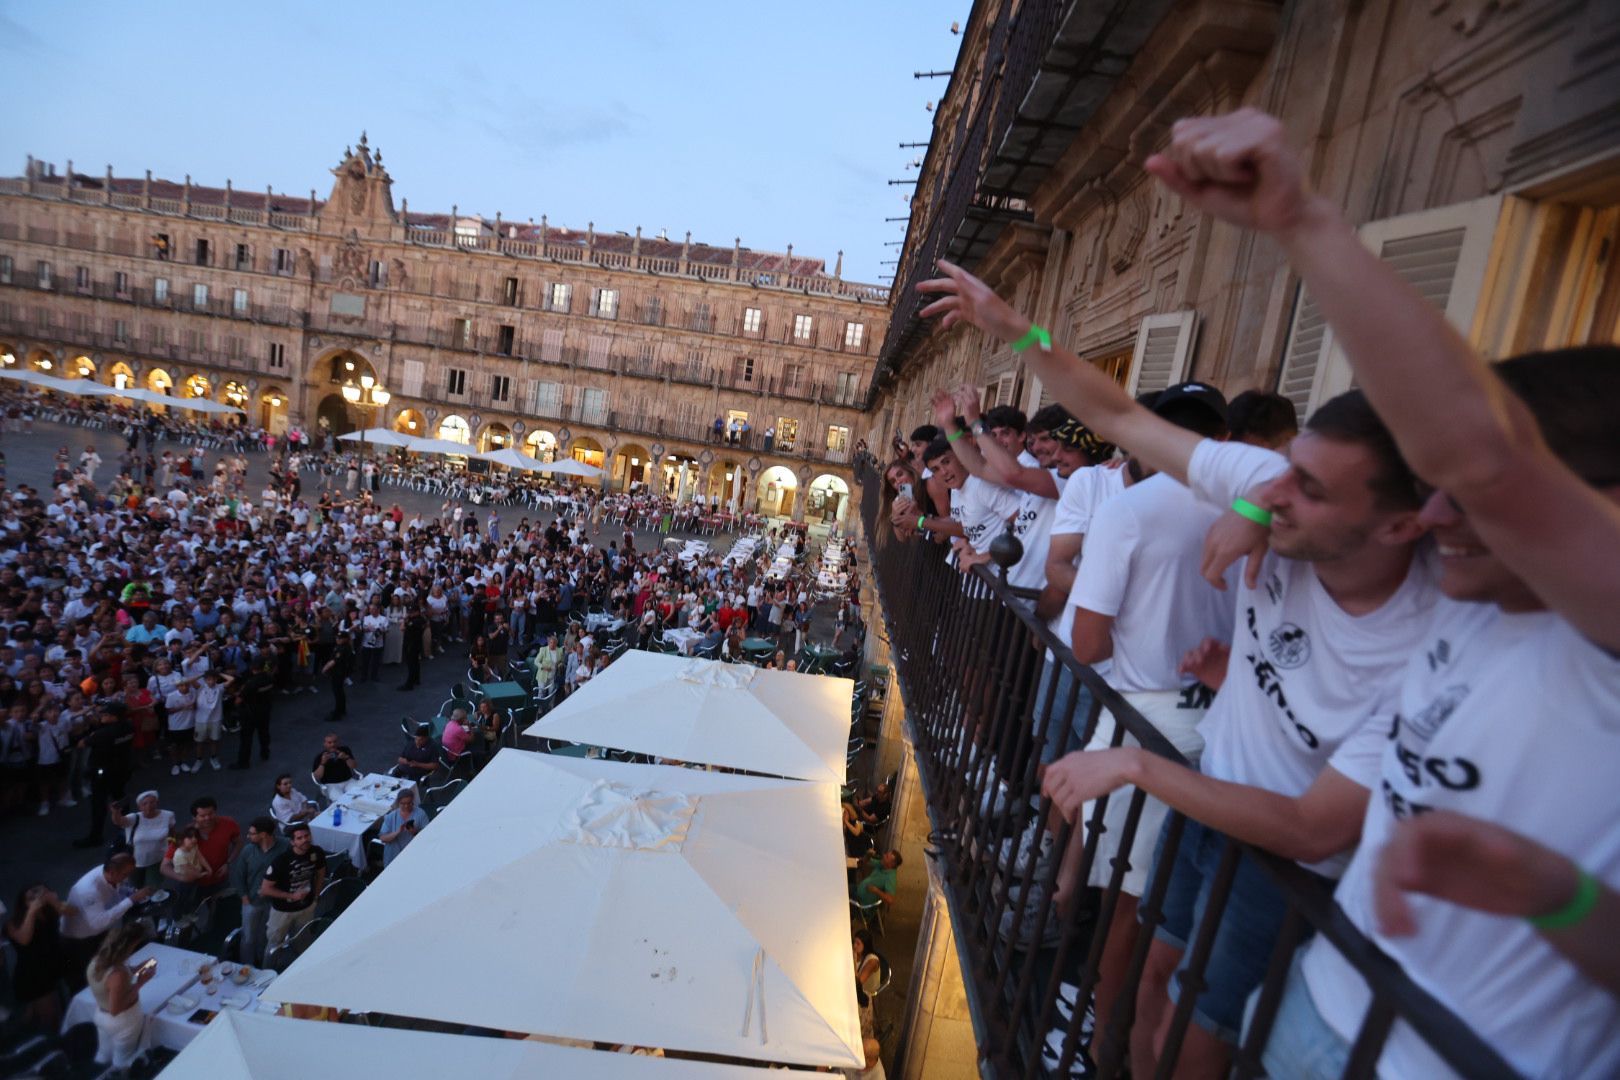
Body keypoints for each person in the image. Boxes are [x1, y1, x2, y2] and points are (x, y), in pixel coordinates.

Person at [1131, 108, 1620, 1079]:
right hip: (1325, 988)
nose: (1442, 515)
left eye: (1490, 504)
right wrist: (1266, 515)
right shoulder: (1471, 596)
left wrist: (1303, 220)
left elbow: (1470, 459)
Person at [62, 853, 152, 991]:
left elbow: (118, 888)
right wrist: (131, 899)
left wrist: (131, 892)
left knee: (108, 969)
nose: (126, 878)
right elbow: (98, 922)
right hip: (80, 940)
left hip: (99, 934)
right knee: (87, 982)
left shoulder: (110, 875)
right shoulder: (89, 890)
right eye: (124, 874)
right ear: (111, 872)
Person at [86, 924, 154, 1070]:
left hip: (101, 1016)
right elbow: (116, 1009)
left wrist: (138, 968)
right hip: (123, 1021)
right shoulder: (117, 975)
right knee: (122, 1063)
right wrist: (141, 983)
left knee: (103, 1055)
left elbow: (114, 982)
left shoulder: (97, 961)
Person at [6, 884, 72, 1032]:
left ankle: (25, 1036)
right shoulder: (12, 924)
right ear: (23, 903)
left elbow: (72, 912)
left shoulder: (49, 913)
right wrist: (32, 911)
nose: (36, 900)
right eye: (30, 898)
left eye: (39, 895)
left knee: (42, 1013)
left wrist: (53, 900)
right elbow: (24, 939)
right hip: (34, 976)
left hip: (51, 970)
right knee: (49, 1017)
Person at [261, 823, 326, 956]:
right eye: (299, 838)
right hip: (282, 911)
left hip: (306, 907)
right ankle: (270, 970)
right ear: (292, 842)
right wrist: (291, 895)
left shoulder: (317, 852)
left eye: (306, 836)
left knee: (303, 940)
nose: (304, 840)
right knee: (274, 945)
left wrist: (316, 896)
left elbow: (321, 873)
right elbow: (265, 889)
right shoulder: (281, 861)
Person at [231, 816, 288, 967]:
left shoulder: (285, 846)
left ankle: (261, 961)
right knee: (248, 936)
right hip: (252, 901)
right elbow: (238, 875)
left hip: (273, 902)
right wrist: (243, 896)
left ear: (263, 835)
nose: (248, 836)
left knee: (265, 935)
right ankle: (246, 966)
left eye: (251, 833)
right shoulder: (248, 851)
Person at [108, 790, 176, 890]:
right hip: (134, 862)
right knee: (136, 887)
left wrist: (172, 849)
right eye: (144, 804)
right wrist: (115, 812)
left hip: (158, 859)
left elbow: (172, 832)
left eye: (152, 802)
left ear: (157, 803)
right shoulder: (134, 818)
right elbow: (118, 821)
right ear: (140, 807)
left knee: (152, 888)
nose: (149, 806)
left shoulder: (168, 815)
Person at [377, 788, 429, 867]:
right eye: (403, 803)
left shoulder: (421, 814)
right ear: (398, 803)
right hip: (393, 856)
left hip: (414, 856)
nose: (406, 806)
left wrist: (415, 832)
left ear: (413, 801)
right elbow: (383, 838)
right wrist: (397, 832)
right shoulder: (391, 817)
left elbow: (428, 837)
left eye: (409, 803)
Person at [311, 732, 359, 797]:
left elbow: (354, 766)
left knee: (359, 793)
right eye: (329, 743)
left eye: (335, 742)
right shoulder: (320, 757)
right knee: (340, 800)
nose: (332, 745)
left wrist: (346, 758)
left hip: (348, 781)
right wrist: (323, 763)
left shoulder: (345, 750)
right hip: (331, 784)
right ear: (324, 744)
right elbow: (317, 776)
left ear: (338, 742)